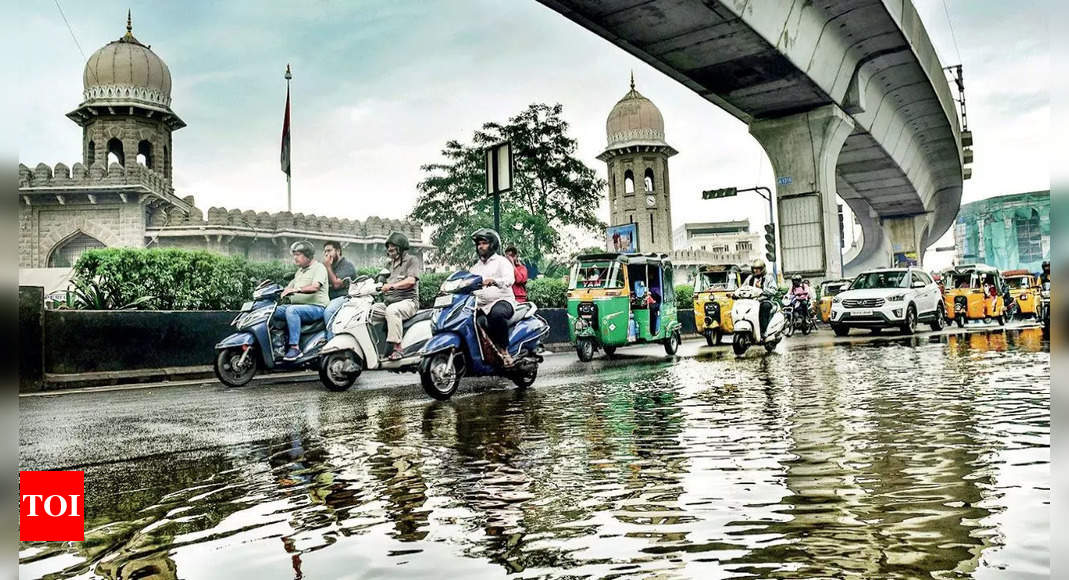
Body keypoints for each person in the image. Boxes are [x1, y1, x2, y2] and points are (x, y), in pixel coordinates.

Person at [469, 228, 516, 366]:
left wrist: (494, 281)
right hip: (481, 305)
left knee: (496, 314)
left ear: (492, 244)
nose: (481, 246)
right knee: (470, 321)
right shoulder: (475, 268)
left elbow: (509, 279)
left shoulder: (502, 262)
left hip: (502, 301)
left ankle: (504, 350)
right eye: (479, 244)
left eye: (484, 243)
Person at [275, 241, 329, 361]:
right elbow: (288, 288)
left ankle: (295, 348)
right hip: (300, 307)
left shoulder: (319, 268)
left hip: (317, 307)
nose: (295, 257)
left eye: (298, 254)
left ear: (308, 255)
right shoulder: (300, 271)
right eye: (294, 254)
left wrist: (297, 289)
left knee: (291, 310)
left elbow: (315, 286)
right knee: (272, 311)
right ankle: (278, 344)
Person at [370, 232, 421, 360]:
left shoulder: (411, 260)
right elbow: (381, 281)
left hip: (408, 302)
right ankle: (372, 349)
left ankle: (398, 348)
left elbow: (411, 281)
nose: (389, 249)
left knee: (392, 310)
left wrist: (391, 286)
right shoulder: (388, 264)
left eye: (393, 246)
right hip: (389, 303)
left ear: (401, 247)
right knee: (368, 312)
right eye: (388, 247)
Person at [322, 241, 357, 339]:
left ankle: (331, 342)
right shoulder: (327, 266)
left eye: (329, 250)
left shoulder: (347, 266)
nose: (326, 254)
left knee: (329, 311)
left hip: (344, 297)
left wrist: (328, 267)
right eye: (325, 252)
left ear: (338, 251)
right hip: (329, 298)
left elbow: (337, 284)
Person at [742, 258, 778, 338]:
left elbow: (774, 291)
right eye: (754, 269)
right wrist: (735, 293)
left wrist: (762, 288)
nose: (755, 271)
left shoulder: (769, 278)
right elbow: (742, 287)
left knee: (764, 307)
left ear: (762, 269)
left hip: (765, 300)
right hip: (751, 301)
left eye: (758, 269)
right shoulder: (750, 278)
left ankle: (763, 331)